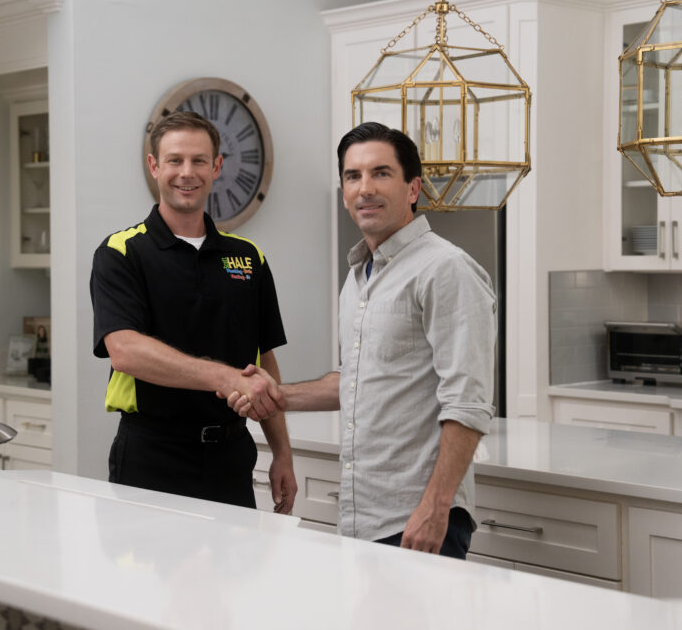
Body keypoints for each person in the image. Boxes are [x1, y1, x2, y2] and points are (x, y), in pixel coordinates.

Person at [228, 122, 495, 557]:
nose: (365, 188)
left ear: (413, 188)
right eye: (353, 176)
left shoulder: (446, 269)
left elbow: (468, 402)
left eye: (381, 173)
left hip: (417, 518)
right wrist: (275, 395)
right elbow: (355, 380)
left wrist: (435, 507)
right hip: (362, 514)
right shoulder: (359, 277)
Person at [90, 111, 296, 513]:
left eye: (199, 160)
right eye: (175, 160)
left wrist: (282, 452)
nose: (187, 172)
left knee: (235, 576)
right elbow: (125, 351)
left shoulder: (248, 257)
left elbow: (264, 359)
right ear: (154, 166)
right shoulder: (121, 252)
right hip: (152, 456)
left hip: (232, 455)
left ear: (216, 166)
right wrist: (223, 376)